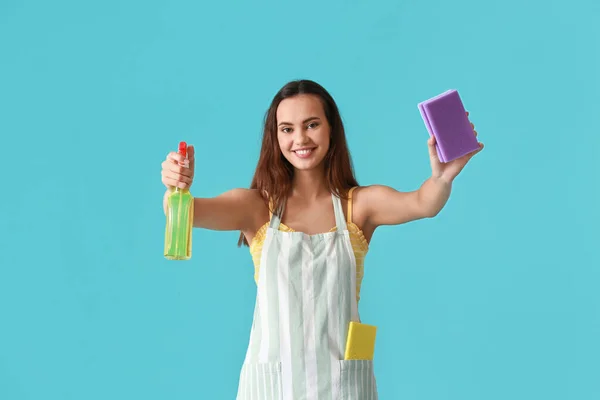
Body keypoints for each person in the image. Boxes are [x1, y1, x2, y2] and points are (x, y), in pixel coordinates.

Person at [160, 79, 483, 399]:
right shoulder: (255, 208)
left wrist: (442, 176)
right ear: (275, 138)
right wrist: (177, 187)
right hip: (272, 387)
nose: (300, 138)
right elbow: (185, 212)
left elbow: (423, 204)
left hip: (343, 386)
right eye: (286, 129)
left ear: (331, 129)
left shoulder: (360, 206)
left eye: (311, 124)